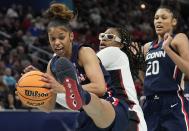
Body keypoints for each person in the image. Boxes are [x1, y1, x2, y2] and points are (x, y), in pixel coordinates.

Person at [24, 3, 131, 131]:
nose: (56, 42)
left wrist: (64, 89)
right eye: (52, 39)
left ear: (71, 36)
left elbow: (100, 88)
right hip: (87, 116)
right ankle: (77, 92)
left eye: (61, 37)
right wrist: (33, 98)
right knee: (86, 108)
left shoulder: (84, 52)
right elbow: (48, 107)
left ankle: (78, 92)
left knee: (93, 101)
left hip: (111, 107)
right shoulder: (52, 65)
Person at [142, 1, 189, 131]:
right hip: (149, 103)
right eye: (156, 18)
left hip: (172, 100)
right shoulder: (147, 47)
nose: (158, 21)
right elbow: (145, 76)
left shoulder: (179, 38)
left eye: (163, 18)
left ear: (174, 22)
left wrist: (168, 49)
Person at [96, 27, 147, 131]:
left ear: (120, 45)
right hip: (116, 117)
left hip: (128, 116)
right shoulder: (106, 62)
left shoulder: (114, 52)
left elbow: (81, 68)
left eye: (110, 36)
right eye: (102, 35)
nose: (104, 39)